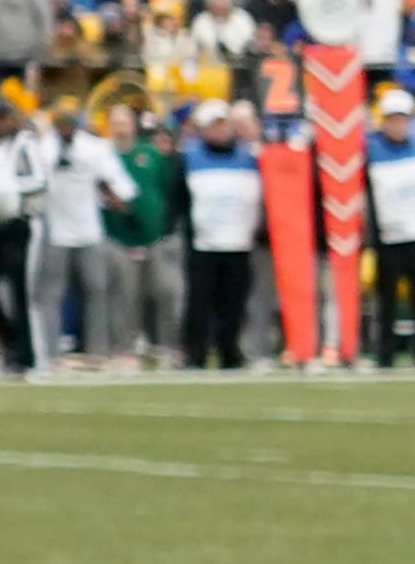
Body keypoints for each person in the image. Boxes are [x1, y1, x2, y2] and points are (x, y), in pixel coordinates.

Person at [40, 103, 132, 366]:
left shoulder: (93, 148)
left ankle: (98, 350)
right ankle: (50, 351)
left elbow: (116, 181)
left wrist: (116, 198)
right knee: (52, 293)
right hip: (55, 229)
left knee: (96, 289)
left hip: (88, 228)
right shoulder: (44, 148)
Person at [360, 88, 415, 367]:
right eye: (392, 120)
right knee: (386, 299)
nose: (397, 125)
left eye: (402, 119)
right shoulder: (373, 151)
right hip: (389, 236)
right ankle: (385, 352)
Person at [178, 101, 266, 371]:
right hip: (204, 243)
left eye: (224, 125)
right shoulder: (190, 158)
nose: (221, 131)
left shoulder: (250, 157)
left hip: (239, 242)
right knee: (199, 303)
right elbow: (179, 200)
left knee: (235, 304)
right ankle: (196, 353)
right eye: (214, 126)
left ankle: (230, 350)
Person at [105, 102, 180, 369]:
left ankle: (168, 346)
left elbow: (164, 188)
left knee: (165, 292)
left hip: (154, 234)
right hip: (118, 236)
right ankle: (127, 347)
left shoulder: (150, 154)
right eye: (115, 122)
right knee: (126, 296)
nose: (120, 127)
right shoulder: (104, 156)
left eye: (124, 121)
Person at [0, 98, 34, 374]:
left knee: (19, 292)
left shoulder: (26, 144)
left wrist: (13, 195)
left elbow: (40, 181)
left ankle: (22, 355)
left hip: (19, 222)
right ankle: (10, 340)